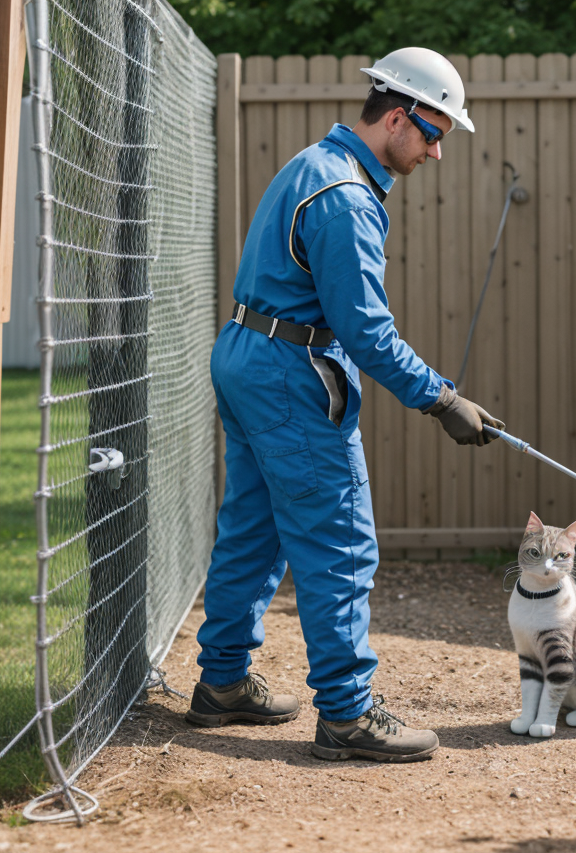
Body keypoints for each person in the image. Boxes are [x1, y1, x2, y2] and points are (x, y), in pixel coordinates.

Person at [185, 48, 504, 763]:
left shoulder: (313, 165)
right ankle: (348, 715)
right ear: (398, 116)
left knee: (254, 528)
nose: (437, 152)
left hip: (246, 354)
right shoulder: (346, 199)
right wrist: (442, 399)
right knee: (339, 542)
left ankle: (224, 684)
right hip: (290, 371)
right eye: (433, 133)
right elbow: (366, 332)